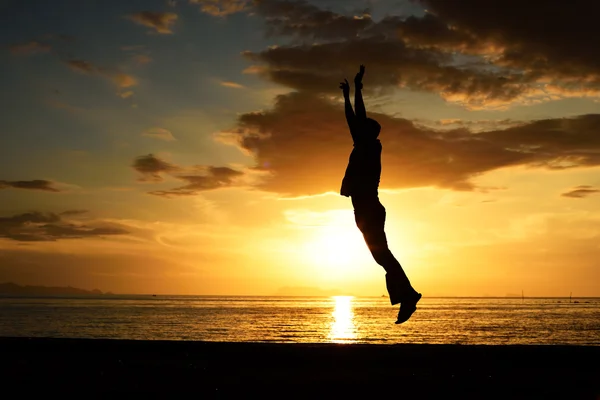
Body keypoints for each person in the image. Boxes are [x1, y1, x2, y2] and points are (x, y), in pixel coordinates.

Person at [339, 65, 421, 324]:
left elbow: (357, 118)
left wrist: (357, 90)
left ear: (368, 133)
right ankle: (407, 295)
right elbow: (353, 120)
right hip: (365, 209)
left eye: (361, 128)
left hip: (369, 208)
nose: (356, 128)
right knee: (381, 256)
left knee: (382, 255)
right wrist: (349, 93)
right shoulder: (364, 143)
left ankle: (409, 295)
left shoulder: (371, 147)